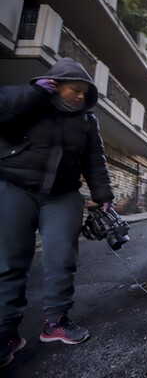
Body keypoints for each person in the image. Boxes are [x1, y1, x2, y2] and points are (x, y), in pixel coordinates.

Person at [0, 57, 115, 367]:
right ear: (55, 85)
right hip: (14, 187)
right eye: (72, 90)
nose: (78, 96)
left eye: (83, 92)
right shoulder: (27, 102)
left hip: (63, 195)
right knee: (10, 261)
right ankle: (6, 333)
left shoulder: (87, 121)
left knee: (62, 258)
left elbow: (95, 161)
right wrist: (34, 94)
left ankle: (55, 322)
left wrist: (103, 196)